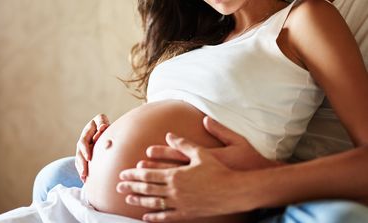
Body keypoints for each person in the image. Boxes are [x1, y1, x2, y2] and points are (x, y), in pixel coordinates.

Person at [33, 0, 368, 222]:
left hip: (201, 207)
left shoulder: (303, 19)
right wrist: (105, 142)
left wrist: (257, 181)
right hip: (96, 205)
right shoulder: (202, 34)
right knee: (54, 175)